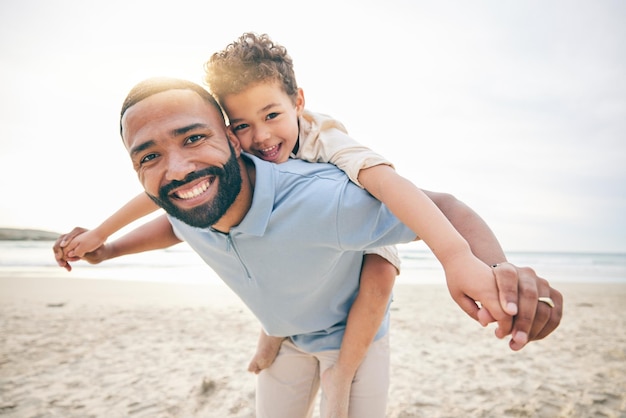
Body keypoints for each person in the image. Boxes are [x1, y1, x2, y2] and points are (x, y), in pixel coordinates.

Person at [54, 77, 562, 418]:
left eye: (192, 139)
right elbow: (175, 224)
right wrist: (106, 249)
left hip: (352, 341)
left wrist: (494, 269)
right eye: (149, 156)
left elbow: (444, 208)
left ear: (232, 141)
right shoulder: (192, 203)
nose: (178, 169)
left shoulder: (324, 199)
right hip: (287, 339)